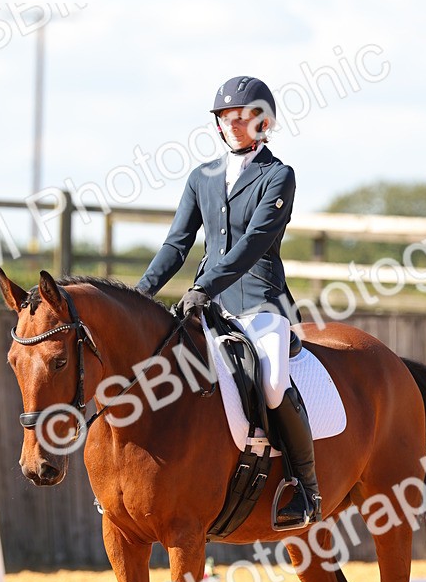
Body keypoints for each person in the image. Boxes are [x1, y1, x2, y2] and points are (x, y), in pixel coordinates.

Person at [136, 75, 321, 528]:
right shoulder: (202, 177)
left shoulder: (278, 176)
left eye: (243, 117)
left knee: (274, 383)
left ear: (264, 122)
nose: (233, 124)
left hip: (261, 302)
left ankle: (306, 487)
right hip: (208, 304)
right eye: (225, 117)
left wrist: (205, 287)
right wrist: (139, 295)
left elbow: (255, 243)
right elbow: (176, 244)